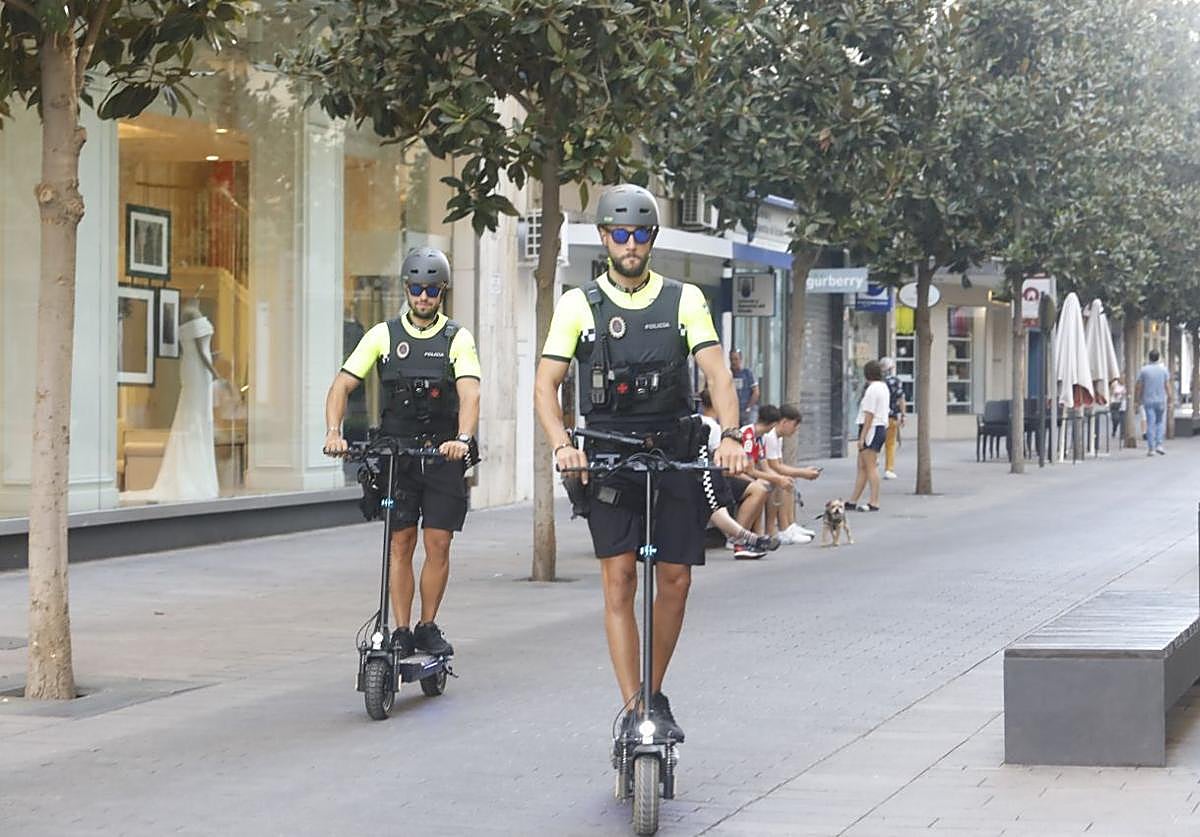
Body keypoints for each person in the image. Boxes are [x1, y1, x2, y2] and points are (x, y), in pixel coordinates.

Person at [535, 183, 746, 743]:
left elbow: (718, 374)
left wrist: (729, 434)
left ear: (652, 239)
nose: (630, 244)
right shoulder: (579, 304)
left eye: (640, 234)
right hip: (609, 455)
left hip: (673, 451)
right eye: (621, 234)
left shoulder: (685, 299)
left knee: (676, 579)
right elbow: (546, 384)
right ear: (605, 237)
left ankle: (651, 695)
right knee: (620, 580)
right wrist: (562, 444)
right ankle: (633, 708)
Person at [322, 247, 481, 658]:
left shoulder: (457, 338)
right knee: (400, 542)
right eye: (416, 289)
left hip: (443, 453)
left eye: (431, 290)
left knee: (438, 542)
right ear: (406, 289)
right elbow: (341, 385)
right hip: (398, 454)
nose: (423, 297)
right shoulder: (383, 335)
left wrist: (463, 438)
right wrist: (334, 432)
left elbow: (470, 393)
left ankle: (427, 625)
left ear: (442, 291)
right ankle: (402, 630)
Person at [144, 299, 221, 502]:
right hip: (198, 369)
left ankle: (196, 472)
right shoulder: (191, 313)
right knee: (194, 413)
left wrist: (212, 360)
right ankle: (192, 475)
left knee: (195, 412)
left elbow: (201, 350)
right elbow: (200, 352)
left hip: (195, 366)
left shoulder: (188, 314)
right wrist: (215, 372)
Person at [698, 390, 777, 559]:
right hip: (710, 480)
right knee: (758, 489)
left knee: (756, 486)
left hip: (703, 478)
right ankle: (739, 540)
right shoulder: (714, 428)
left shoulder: (698, 420)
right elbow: (725, 466)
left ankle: (747, 537)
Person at [763, 404, 821, 543]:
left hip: (767, 470)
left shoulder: (778, 437)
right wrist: (803, 473)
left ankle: (790, 525)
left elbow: (779, 464)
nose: (795, 430)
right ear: (784, 422)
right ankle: (782, 529)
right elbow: (775, 466)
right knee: (782, 482)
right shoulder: (770, 436)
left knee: (787, 479)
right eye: (794, 425)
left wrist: (800, 473)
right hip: (760, 472)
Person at [848, 360, 889, 511]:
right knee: (862, 466)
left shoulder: (872, 389)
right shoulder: (883, 387)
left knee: (870, 467)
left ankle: (874, 501)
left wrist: (862, 437)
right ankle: (853, 500)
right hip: (879, 427)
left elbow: (869, 414)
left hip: (871, 428)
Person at [1135, 349, 1169, 456]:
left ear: (1149, 357)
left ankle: (1151, 449)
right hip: (1161, 400)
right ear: (1159, 358)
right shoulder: (1164, 370)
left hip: (1148, 400)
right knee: (1159, 422)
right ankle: (1159, 444)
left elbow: (1139, 386)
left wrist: (1137, 399)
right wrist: (1170, 397)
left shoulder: (1144, 370)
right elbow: (1167, 385)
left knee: (1150, 423)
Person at [880, 357, 906, 480]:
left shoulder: (877, 382)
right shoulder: (896, 381)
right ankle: (889, 469)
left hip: (878, 417)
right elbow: (901, 399)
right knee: (890, 444)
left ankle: (873, 464)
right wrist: (903, 414)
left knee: (876, 442)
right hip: (891, 416)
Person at [729, 349, 759, 425]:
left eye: (736, 359)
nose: (733, 362)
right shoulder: (728, 374)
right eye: (731, 359)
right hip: (733, 410)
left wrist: (748, 407)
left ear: (740, 359)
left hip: (747, 408)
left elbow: (756, 392)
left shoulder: (747, 373)